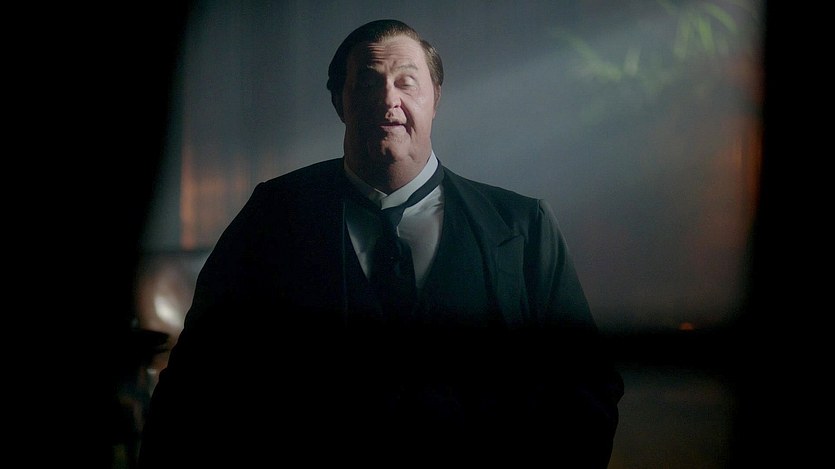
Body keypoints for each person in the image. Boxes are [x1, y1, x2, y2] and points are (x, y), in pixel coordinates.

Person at [138, 19, 623, 468]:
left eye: (406, 82)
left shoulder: (521, 228)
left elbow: (586, 391)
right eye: (368, 83)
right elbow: (193, 388)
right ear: (340, 102)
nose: (387, 99)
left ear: (435, 97)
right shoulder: (272, 217)